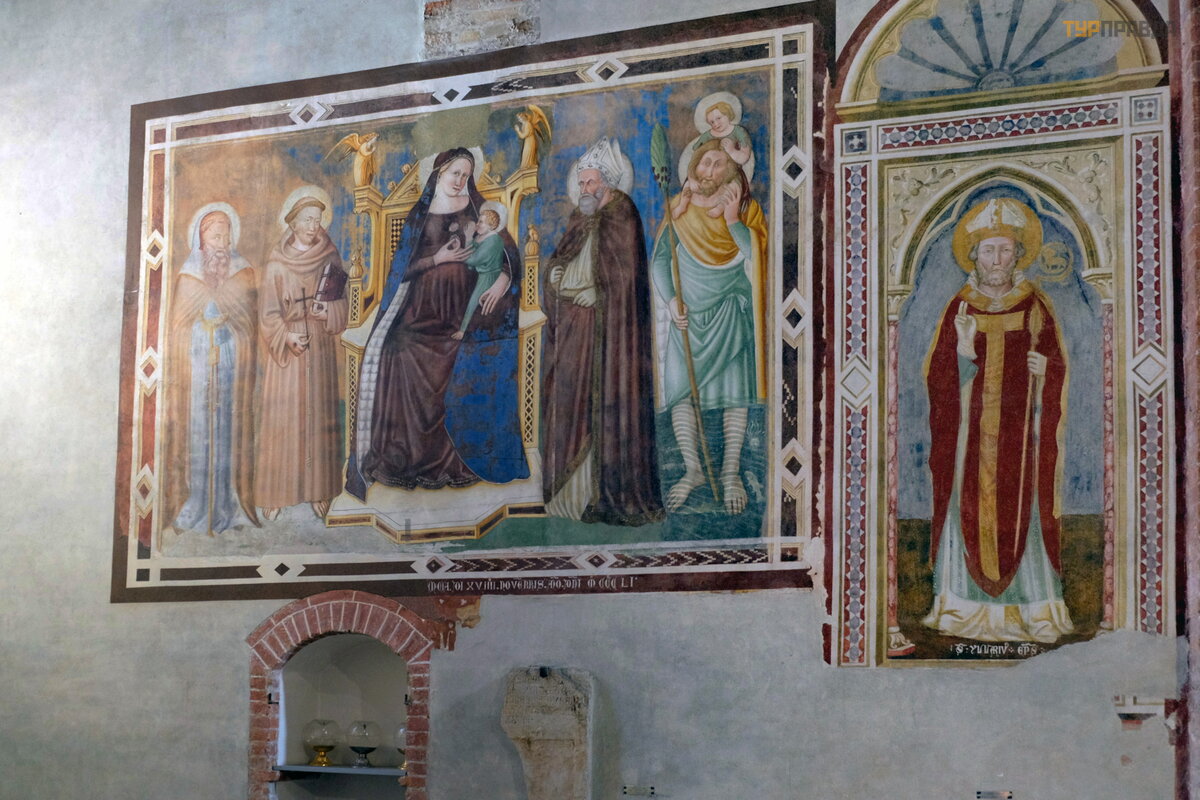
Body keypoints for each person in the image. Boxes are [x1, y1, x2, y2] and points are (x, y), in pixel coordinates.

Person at [922, 197, 1074, 643]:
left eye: (1005, 250)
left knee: (1024, 508)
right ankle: (960, 609)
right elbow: (939, 378)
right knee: (967, 505)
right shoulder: (960, 307)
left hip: (1019, 440)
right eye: (988, 250)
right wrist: (964, 351)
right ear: (974, 255)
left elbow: (1057, 366)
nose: (996, 260)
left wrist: (1047, 373)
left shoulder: (1035, 306)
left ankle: (1033, 612)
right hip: (969, 442)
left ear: (1018, 255)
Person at [346, 147, 528, 499]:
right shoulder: (418, 216)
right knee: (397, 349)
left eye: (466, 175)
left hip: (465, 312)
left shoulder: (479, 209)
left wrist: (504, 279)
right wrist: (437, 259)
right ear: (439, 173)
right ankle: (406, 459)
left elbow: (509, 256)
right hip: (420, 311)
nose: (460, 181)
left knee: (464, 353)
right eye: (455, 173)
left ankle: (459, 459)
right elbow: (402, 272)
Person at [541, 137, 663, 525]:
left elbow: (628, 277)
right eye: (581, 182)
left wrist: (600, 292)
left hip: (608, 332)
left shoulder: (623, 214)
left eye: (590, 182)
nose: (584, 188)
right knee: (569, 402)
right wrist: (554, 275)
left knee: (606, 403)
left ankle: (608, 495)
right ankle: (567, 495)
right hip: (573, 326)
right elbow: (561, 257)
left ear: (607, 182)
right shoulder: (580, 217)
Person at [651, 139, 768, 515]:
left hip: (729, 312)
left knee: (734, 394)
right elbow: (659, 261)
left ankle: (731, 473)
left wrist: (733, 221)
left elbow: (756, 256)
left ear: (732, 171)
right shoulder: (679, 208)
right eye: (704, 162)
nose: (709, 170)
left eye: (718, 164)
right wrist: (672, 301)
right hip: (687, 318)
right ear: (693, 166)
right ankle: (693, 471)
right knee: (680, 394)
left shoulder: (745, 208)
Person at [162, 204, 259, 534]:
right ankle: (195, 504)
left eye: (226, 236)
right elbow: (177, 328)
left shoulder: (242, 272)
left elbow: (249, 325)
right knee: (198, 432)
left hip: (229, 363)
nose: (222, 243)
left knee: (227, 433)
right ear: (201, 241)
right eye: (215, 237)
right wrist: (199, 335)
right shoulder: (189, 275)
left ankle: (228, 505)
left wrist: (230, 334)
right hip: (197, 366)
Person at [255, 191, 349, 520]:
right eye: (307, 219)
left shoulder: (330, 256)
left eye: (317, 220)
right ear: (293, 223)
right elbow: (268, 314)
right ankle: (276, 493)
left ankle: (319, 490)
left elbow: (343, 303)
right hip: (289, 351)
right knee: (284, 419)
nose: (313, 225)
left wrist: (329, 311)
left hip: (320, 347)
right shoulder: (277, 263)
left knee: (320, 415)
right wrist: (287, 336)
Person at [452, 202, 506, 341]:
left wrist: (464, 244)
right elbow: (471, 250)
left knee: (474, 301)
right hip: (479, 272)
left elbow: (472, 259)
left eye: (481, 222)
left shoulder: (493, 240)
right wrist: (466, 240)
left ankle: (462, 331)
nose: (477, 225)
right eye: (478, 221)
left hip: (489, 276)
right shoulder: (482, 236)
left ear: (491, 225)